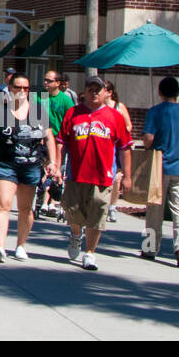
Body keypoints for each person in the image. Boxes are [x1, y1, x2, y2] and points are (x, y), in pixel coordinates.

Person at [0, 71, 57, 262]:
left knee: (26, 209)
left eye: (25, 88)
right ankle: (0, 247)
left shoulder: (38, 111)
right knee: (3, 205)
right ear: (9, 89)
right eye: (17, 87)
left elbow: (49, 138)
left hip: (31, 165)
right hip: (6, 163)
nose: (21, 91)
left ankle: (20, 245)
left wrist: (53, 162)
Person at [59, 77, 132, 270]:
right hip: (76, 173)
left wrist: (127, 175)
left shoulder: (115, 117)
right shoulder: (73, 113)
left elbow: (125, 148)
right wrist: (56, 166)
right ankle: (76, 235)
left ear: (106, 92)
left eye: (98, 89)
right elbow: (62, 143)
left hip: (103, 175)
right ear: (84, 91)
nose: (95, 93)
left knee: (98, 212)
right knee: (73, 213)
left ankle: (90, 252)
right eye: (91, 89)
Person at [140, 76, 179, 267]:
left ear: (160, 92)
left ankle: (150, 247)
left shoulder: (155, 112)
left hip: (159, 167)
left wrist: (151, 144)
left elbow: (148, 139)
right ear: (178, 93)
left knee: (154, 209)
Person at [36, 71, 75, 219]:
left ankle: (52, 202)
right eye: (44, 80)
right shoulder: (39, 97)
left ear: (58, 83)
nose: (46, 83)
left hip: (59, 141)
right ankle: (43, 202)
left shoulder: (65, 100)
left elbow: (71, 120)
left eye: (49, 81)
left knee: (56, 170)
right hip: (42, 139)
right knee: (44, 171)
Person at [104, 80, 134, 223]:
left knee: (116, 177)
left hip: (116, 146)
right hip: (104, 145)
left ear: (110, 92)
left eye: (103, 89)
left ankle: (112, 206)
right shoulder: (99, 108)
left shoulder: (119, 107)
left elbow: (129, 126)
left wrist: (119, 133)